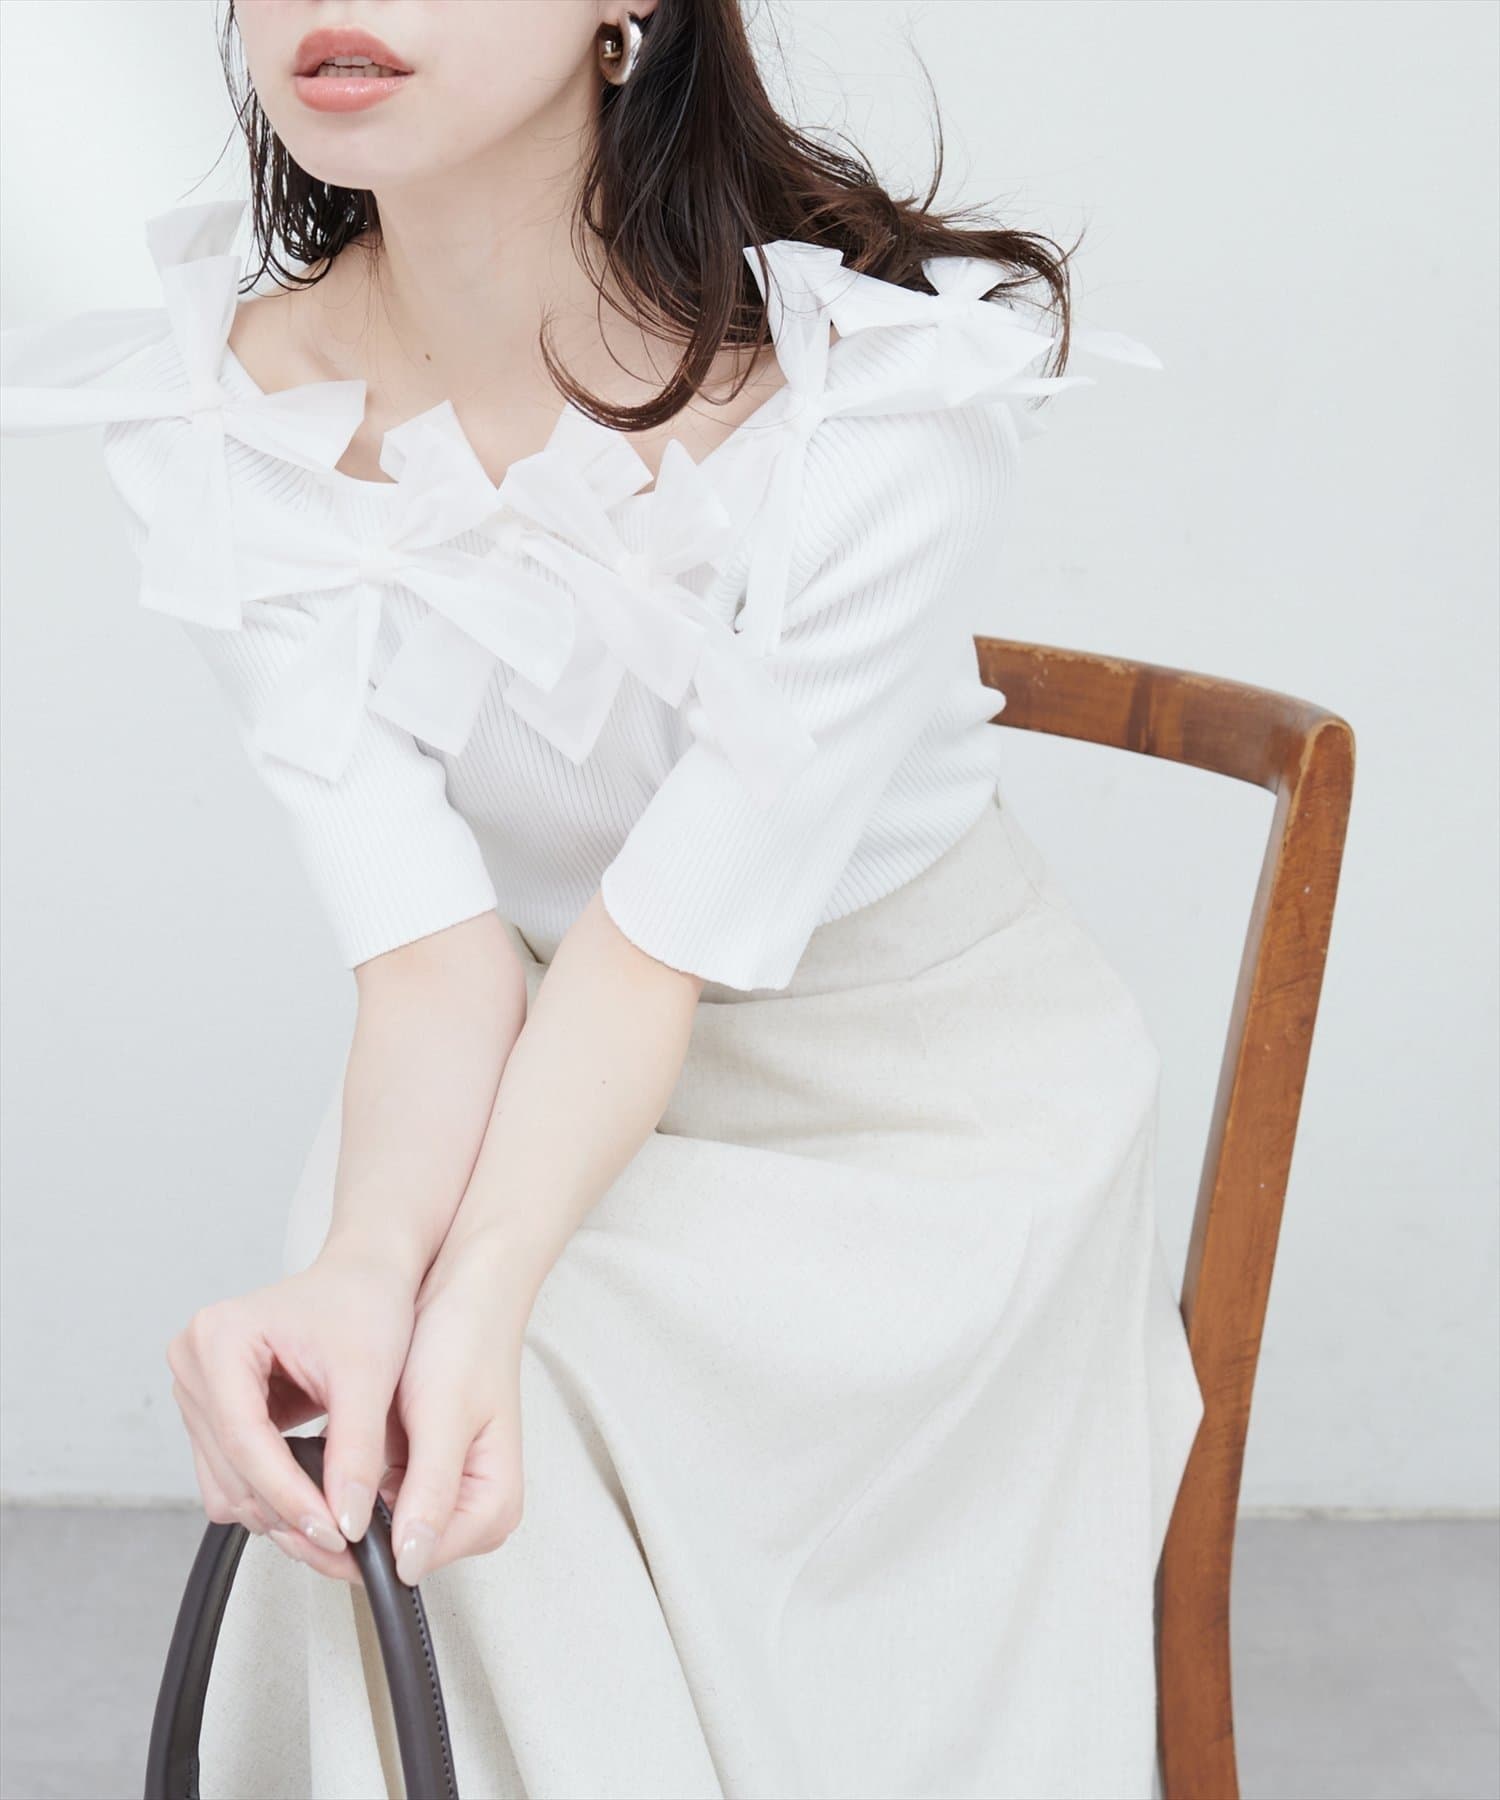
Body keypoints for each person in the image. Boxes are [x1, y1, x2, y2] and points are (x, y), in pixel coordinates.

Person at [0, 4, 1204, 1795]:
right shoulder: (222, 421)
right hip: (512, 1061)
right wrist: (366, 1267)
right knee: (368, 1356)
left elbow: (655, 957)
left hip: (916, 1121)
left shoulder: (873, 405)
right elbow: (433, 962)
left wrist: (475, 1300)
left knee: (510, 1371)